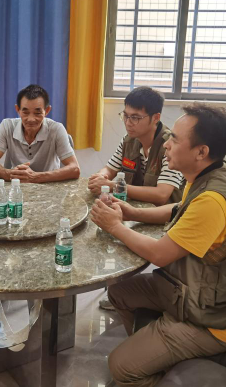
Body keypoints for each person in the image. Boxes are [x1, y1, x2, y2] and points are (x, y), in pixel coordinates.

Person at [90, 103, 226, 387]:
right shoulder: (216, 172)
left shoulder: (213, 200)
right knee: (120, 292)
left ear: (201, 152)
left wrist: (115, 226)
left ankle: (157, 371)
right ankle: (157, 357)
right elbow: (179, 208)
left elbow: (160, 254)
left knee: (120, 367)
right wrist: (131, 212)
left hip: (210, 317)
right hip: (194, 291)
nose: (167, 144)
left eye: (176, 140)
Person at [90, 86, 184, 311]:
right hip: (134, 210)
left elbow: (162, 194)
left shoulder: (169, 146)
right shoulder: (130, 140)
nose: (128, 123)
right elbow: (110, 168)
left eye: (136, 117)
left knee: (114, 232)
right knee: (101, 229)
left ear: (155, 118)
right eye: (125, 115)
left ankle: (126, 293)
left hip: (164, 218)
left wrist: (114, 186)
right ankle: (120, 291)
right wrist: (101, 177)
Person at [0, 84, 80, 182]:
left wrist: (35, 177)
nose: (31, 119)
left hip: (48, 185)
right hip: (16, 184)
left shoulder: (56, 129)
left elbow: (75, 169)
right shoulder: (7, 126)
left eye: (37, 113)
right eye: (25, 112)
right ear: (18, 110)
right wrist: (9, 174)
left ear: (46, 111)